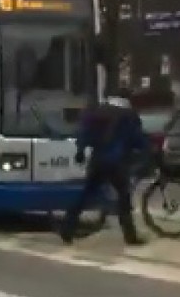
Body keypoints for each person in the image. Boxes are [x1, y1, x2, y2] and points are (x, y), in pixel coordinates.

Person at [60, 90, 148, 246]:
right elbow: (137, 139)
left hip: (97, 160)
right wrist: (146, 150)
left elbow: (84, 133)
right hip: (116, 162)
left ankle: (67, 228)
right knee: (123, 198)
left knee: (86, 194)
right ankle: (130, 237)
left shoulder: (97, 112)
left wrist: (80, 151)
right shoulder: (129, 115)